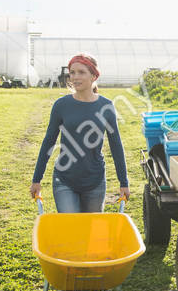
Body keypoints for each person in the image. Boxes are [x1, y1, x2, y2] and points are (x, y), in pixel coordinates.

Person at [30, 53, 130, 212]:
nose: (75, 77)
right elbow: (48, 142)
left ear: (93, 75)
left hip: (95, 181)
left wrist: (123, 182)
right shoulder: (61, 105)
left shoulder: (106, 107)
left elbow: (116, 145)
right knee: (71, 230)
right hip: (64, 180)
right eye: (72, 72)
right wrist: (37, 179)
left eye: (81, 72)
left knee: (91, 232)